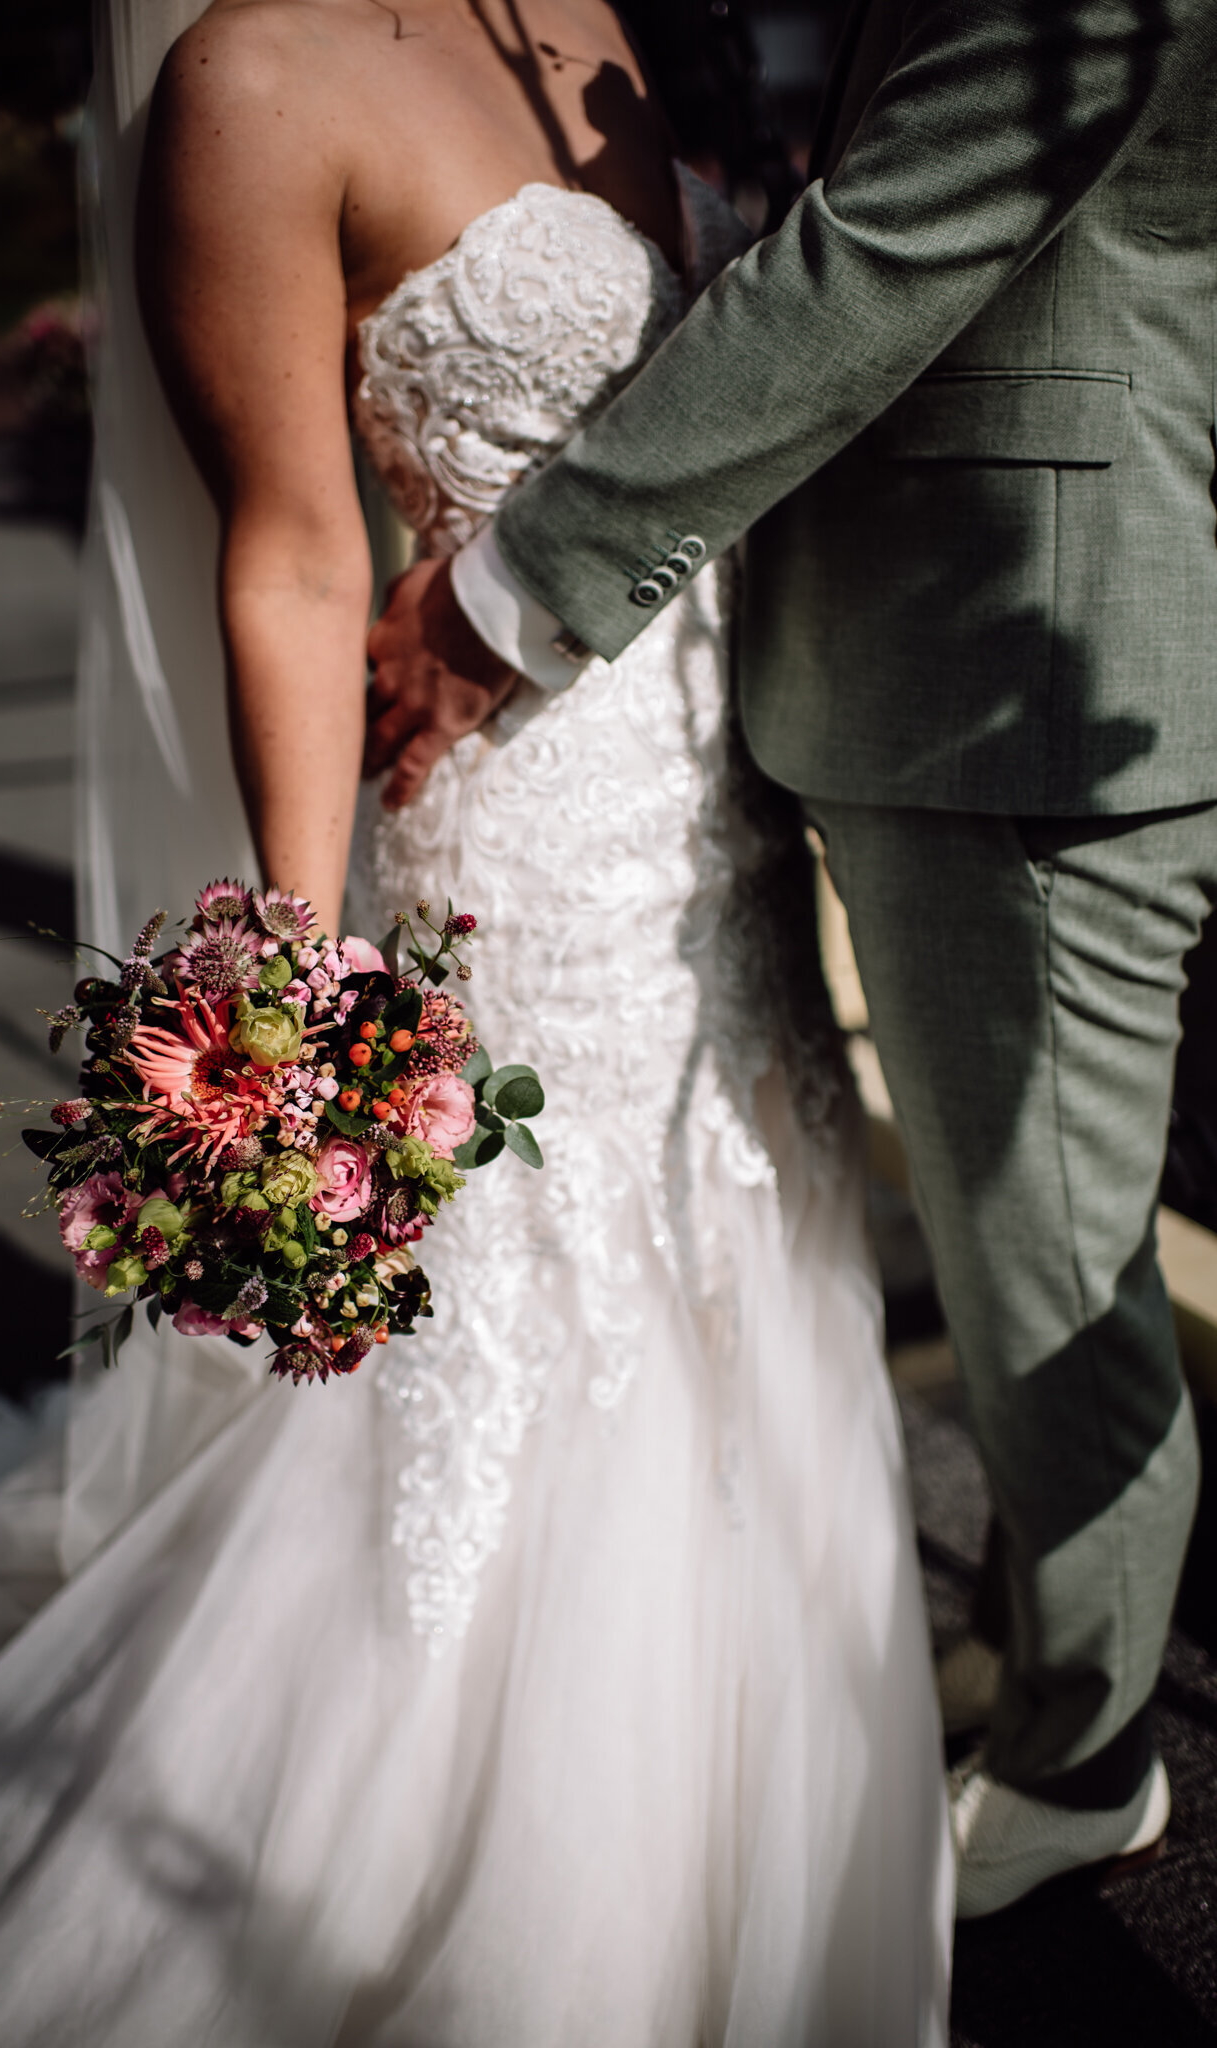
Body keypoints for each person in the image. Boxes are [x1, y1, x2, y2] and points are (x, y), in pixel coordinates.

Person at [0, 0, 952, 2040]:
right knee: (526, 1333)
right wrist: (293, 981)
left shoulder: (597, 18)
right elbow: (285, 552)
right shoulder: (250, 79)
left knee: (745, 1257)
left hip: (721, 806)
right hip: (517, 845)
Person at [365, 0, 1217, 1920]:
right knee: (1037, 1246)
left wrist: (515, 588)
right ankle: (1053, 1651)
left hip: (1019, 686)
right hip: (942, 673)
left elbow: (902, 236)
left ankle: (1089, 1759)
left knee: (1043, 1263)